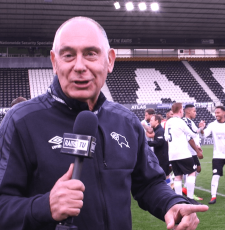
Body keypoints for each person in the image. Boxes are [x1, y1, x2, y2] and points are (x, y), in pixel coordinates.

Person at [0, 17, 208, 230]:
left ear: (110, 60)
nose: (79, 66)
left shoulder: (126, 122)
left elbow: (150, 183)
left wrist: (172, 203)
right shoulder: (21, 121)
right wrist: (44, 206)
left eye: (91, 53)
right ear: (54, 61)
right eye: (68, 55)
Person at [165, 102, 204, 205]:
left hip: (172, 154)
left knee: (178, 176)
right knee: (192, 172)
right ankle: (190, 198)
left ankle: (179, 199)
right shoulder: (180, 122)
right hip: (183, 153)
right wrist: (200, 128)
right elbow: (193, 134)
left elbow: (166, 138)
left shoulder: (168, 122)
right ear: (181, 110)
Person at [200, 106, 225, 204]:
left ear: (224, 113)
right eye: (215, 113)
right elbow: (204, 134)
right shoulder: (212, 125)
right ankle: (213, 196)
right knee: (216, 175)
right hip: (217, 155)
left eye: (218, 112)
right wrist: (201, 128)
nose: (216, 114)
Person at [182, 104, 204, 201]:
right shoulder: (186, 121)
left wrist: (198, 146)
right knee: (192, 171)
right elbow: (190, 137)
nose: (195, 113)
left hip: (192, 150)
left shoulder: (190, 122)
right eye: (194, 111)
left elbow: (195, 134)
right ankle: (187, 190)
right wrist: (197, 150)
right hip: (189, 151)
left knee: (197, 169)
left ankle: (185, 188)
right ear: (188, 112)